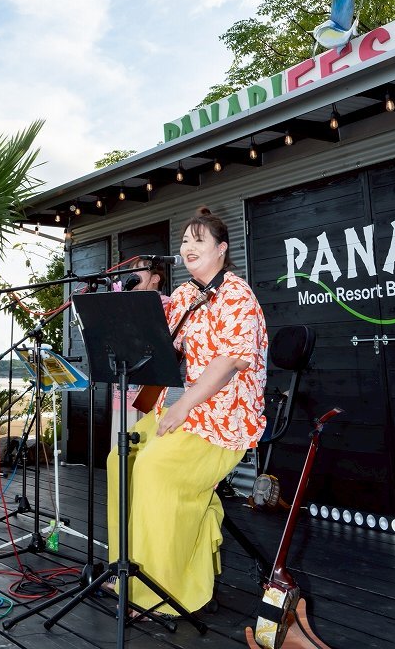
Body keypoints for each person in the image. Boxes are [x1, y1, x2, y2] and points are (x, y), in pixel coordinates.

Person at [106, 206, 267, 618]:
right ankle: (126, 571)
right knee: (119, 460)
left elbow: (229, 362)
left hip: (225, 414)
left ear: (221, 249)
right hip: (187, 408)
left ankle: (158, 591)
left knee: (154, 467)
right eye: (184, 241)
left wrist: (181, 407)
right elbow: (153, 336)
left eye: (199, 240)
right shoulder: (185, 295)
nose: (188, 247)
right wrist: (129, 298)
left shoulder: (237, 294)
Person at [110, 259, 171, 445]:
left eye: (140, 269)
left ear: (155, 278)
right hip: (125, 383)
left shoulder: (167, 304)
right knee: (122, 441)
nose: (133, 274)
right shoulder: (123, 304)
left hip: (151, 388)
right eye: (132, 270)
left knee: (147, 441)